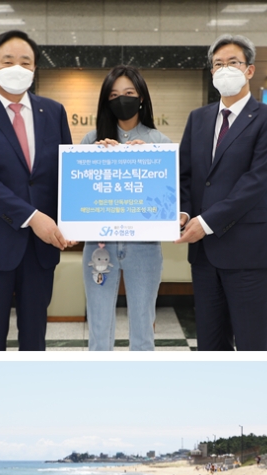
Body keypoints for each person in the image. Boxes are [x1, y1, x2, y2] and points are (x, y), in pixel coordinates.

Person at [0, 30, 73, 350]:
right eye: (8, 61)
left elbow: (67, 173)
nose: (17, 67)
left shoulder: (54, 111)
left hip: (41, 248)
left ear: (35, 69)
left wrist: (74, 220)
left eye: (26, 62)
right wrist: (34, 217)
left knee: (34, 337)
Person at [177, 34, 267, 352]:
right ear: (211, 73)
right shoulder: (198, 118)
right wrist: (183, 212)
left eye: (233, 63)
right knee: (211, 344)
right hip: (204, 255)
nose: (225, 69)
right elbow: (185, 174)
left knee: (251, 345)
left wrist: (206, 221)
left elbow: (256, 181)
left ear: (249, 70)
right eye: (218, 64)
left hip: (247, 252)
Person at [80, 66, 171, 351]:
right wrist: (97, 157)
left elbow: (168, 201)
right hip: (99, 247)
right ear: (106, 101)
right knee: (98, 327)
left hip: (144, 248)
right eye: (115, 94)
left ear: (141, 97)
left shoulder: (160, 143)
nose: (123, 99)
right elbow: (80, 196)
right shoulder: (91, 140)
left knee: (144, 328)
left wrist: (149, 160)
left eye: (129, 93)